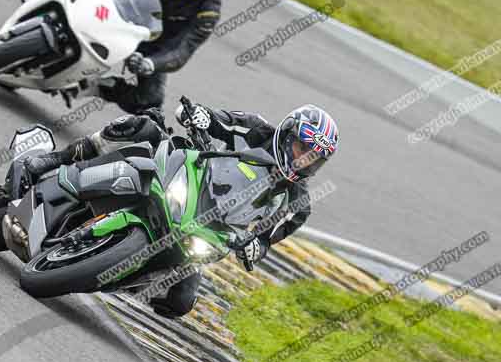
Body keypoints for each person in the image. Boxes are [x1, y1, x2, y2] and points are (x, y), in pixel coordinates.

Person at [23, 102, 340, 269]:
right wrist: (199, 115)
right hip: (189, 177)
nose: (305, 161)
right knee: (140, 128)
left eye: (315, 158)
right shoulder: (255, 129)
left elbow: (267, 237)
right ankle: (59, 161)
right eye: (303, 149)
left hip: (209, 231)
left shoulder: (297, 202)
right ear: (287, 136)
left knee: (179, 302)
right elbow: (213, 118)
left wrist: (257, 248)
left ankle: (119, 273)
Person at [60, 0, 231, 113]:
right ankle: (45, 8)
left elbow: (183, 51)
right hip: (129, 9)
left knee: (150, 101)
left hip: (152, 46)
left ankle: (93, 86)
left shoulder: (209, 11)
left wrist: (151, 63)